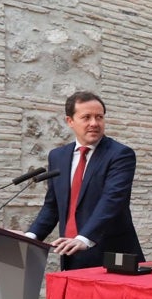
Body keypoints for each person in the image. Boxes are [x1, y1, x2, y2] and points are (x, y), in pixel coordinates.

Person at [26, 90, 144, 270]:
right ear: (70, 121)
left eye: (99, 117)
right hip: (72, 253)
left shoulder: (120, 154)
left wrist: (84, 238)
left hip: (113, 257)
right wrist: (31, 236)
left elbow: (112, 200)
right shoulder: (58, 156)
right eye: (86, 117)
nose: (94, 123)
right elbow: (53, 205)